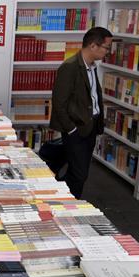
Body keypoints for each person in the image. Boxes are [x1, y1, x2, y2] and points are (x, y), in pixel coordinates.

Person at [50, 26, 112, 198]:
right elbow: (59, 103)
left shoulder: (92, 67)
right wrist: (71, 129)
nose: (108, 52)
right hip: (76, 128)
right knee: (79, 173)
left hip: (90, 127)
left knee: (79, 171)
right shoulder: (69, 67)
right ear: (93, 46)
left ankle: (62, 196)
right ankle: (70, 205)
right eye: (106, 47)